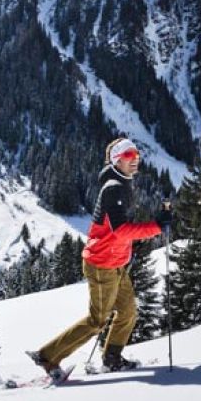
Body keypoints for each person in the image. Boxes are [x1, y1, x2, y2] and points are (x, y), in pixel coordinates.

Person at [28, 137, 173, 380]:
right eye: (128, 156)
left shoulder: (123, 183)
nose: (134, 159)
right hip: (102, 265)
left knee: (127, 313)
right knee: (98, 320)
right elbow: (120, 229)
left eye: (136, 154)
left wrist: (132, 244)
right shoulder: (113, 188)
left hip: (116, 262)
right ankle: (48, 356)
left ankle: (112, 358)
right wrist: (156, 226)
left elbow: (114, 230)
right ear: (117, 160)